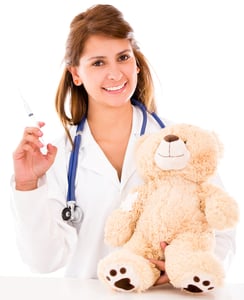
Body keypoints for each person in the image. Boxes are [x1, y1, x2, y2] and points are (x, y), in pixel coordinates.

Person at [11, 4, 236, 285]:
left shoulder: (179, 142)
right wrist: (27, 185)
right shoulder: (59, 156)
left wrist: (186, 268)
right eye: (98, 62)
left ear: (137, 63)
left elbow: (224, 229)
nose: (116, 73)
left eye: (123, 57)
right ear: (75, 74)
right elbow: (43, 261)